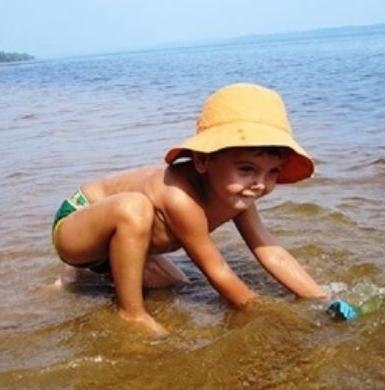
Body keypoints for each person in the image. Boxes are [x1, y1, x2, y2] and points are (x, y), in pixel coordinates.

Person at [51, 83, 334, 336]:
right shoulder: (180, 198)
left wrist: (320, 300)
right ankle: (131, 314)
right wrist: (263, 311)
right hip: (79, 222)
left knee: (178, 285)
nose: (260, 184)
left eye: (272, 172)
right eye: (247, 169)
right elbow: (217, 270)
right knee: (134, 207)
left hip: (121, 246)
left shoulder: (238, 196)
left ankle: (82, 276)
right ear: (202, 161)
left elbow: (271, 251)